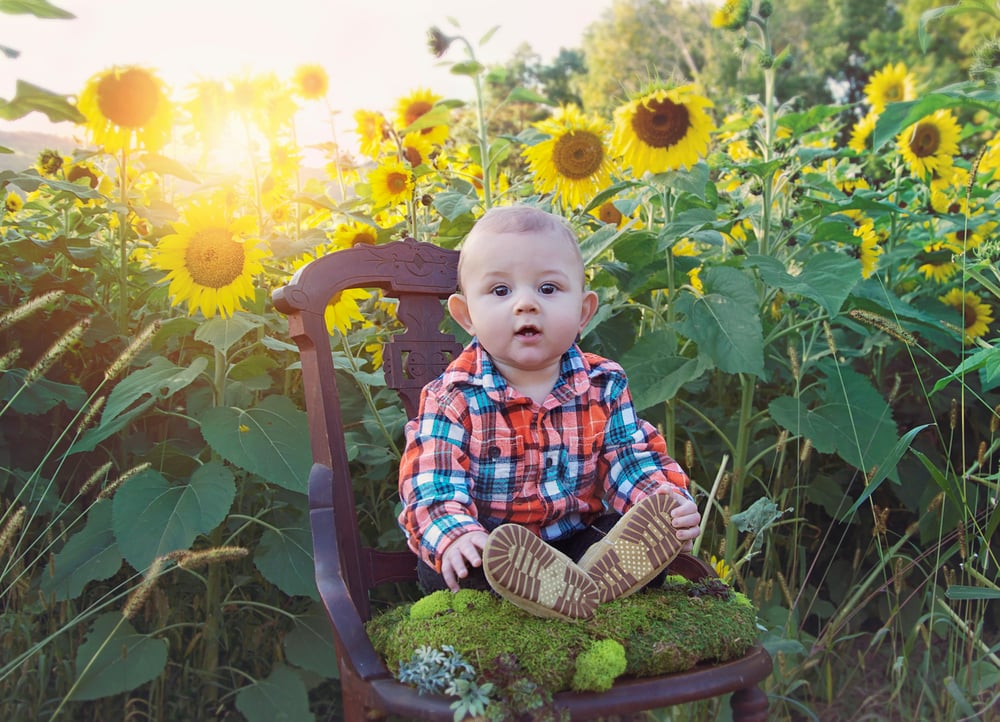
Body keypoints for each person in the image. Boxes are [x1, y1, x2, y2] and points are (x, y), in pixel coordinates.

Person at [397, 205, 701, 620]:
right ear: (466, 316)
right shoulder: (453, 397)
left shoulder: (603, 383)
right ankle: (558, 594)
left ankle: (579, 588)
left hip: (577, 545)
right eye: (501, 291)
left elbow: (631, 459)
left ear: (582, 312)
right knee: (459, 567)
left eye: (548, 289)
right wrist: (455, 534)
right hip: (495, 551)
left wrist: (664, 501)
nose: (526, 304)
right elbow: (432, 482)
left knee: (627, 536)